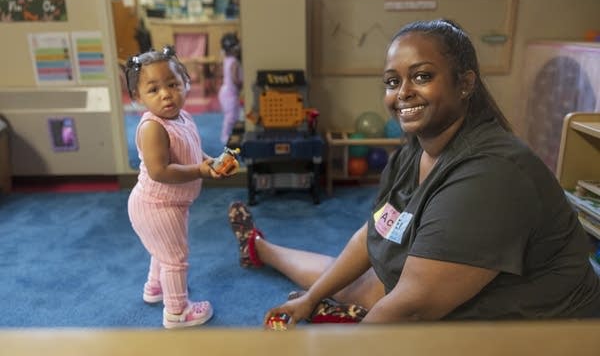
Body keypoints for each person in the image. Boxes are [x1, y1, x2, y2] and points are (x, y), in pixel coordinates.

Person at [226, 19, 600, 327]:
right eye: (392, 81)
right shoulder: (413, 150)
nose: (402, 92)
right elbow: (373, 235)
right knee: (364, 282)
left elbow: (413, 308)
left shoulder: (490, 175)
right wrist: (310, 300)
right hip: (448, 289)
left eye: (421, 77)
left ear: (465, 83)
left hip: (543, 330)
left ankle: (346, 309)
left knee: (383, 299)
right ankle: (260, 247)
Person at [125, 46, 237, 329]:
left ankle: (155, 288)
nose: (166, 94)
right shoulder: (152, 128)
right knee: (175, 258)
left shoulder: (184, 118)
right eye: (153, 90)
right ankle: (176, 312)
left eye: (173, 84)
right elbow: (160, 171)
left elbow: (191, 150)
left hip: (171, 203)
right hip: (155, 204)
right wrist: (200, 171)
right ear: (138, 97)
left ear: (186, 83)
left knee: (161, 249)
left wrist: (210, 161)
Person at [218, 32, 243, 145]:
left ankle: (230, 135)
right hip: (229, 94)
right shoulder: (234, 62)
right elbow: (234, 78)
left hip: (226, 92)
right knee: (231, 117)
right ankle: (225, 138)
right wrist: (241, 83)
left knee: (234, 115)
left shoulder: (227, 59)